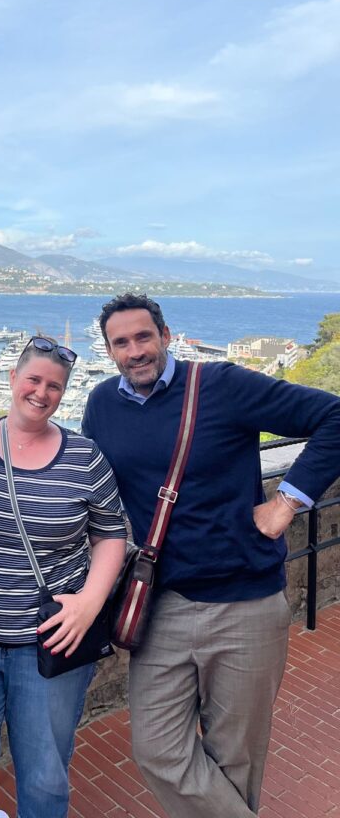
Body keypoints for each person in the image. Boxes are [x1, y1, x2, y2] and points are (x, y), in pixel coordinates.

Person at [82, 292, 340, 818]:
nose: (135, 351)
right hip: (162, 605)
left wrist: (287, 503)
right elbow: (84, 486)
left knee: (234, 760)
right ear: (109, 351)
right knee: (157, 749)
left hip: (246, 604)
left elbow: (333, 417)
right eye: (121, 342)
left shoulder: (222, 385)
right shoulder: (102, 404)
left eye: (143, 336)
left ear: (166, 335)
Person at [0, 335, 126, 818]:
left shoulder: (85, 458)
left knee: (44, 780)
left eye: (55, 387)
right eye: (34, 380)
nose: (42, 393)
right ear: (12, 379)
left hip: (50, 642)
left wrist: (89, 603)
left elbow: (111, 535)